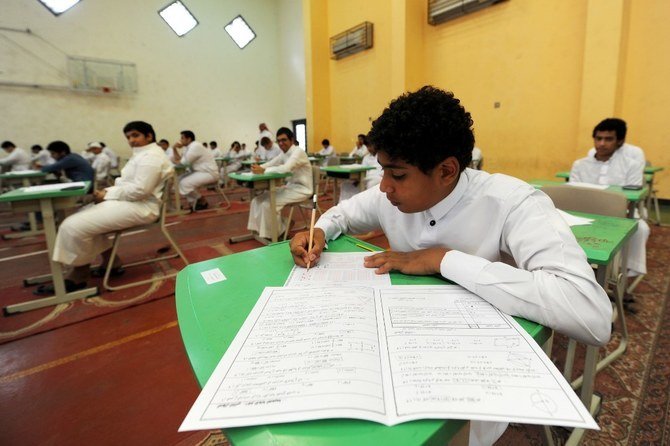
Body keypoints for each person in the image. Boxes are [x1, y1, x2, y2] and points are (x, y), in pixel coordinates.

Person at [290, 86, 612, 446]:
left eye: (397, 175)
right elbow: (346, 214)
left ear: (446, 171)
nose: (384, 187)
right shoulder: (390, 198)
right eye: (383, 172)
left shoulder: (512, 203)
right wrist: (319, 229)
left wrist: (445, 260)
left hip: (472, 366)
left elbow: (592, 315)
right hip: (401, 345)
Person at [35, 121, 173, 294]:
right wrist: (107, 192)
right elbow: (126, 184)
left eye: (135, 135)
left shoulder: (151, 157)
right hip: (132, 202)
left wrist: (107, 195)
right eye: (128, 137)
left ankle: (78, 274)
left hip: (142, 207)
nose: (131, 140)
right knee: (85, 217)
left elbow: (140, 191)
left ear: (149, 136)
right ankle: (112, 262)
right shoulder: (143, 154)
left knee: (73, 225)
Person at [570, 118, 649, 279]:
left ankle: (622, 273)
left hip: (620, 213)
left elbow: (629, 198)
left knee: (640, 229)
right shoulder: (580, 164)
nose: (602, 143)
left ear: (619, 141)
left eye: (608, 139)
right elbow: (573, 194)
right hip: (582, 213)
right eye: (598, 138)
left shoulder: (631, 165)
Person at [247, 127, 312, 240]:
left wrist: (263, 170)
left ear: (291, 140)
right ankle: (263, 231)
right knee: (256, 200)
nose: (281, 143)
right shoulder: (284, 153)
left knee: (268, 204)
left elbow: (286, 168)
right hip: (291, 187)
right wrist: (259, 167)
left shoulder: (298, 151)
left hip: (303, 190)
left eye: (284, 140)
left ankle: (277, 233)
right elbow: (272, 163)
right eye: (279, 141)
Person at [173, 130, 219, 211]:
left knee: (184, 183)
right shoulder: (188, 148)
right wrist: (174, 148)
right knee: (178, 180)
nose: (180, 140)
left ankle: (201, 200)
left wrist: (177, 161)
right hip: (199, 172)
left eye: (182, 138)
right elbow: (179, 160)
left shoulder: (195, 146)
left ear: (189, 139)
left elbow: (183, 163)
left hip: (209, 173)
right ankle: (194, 203)